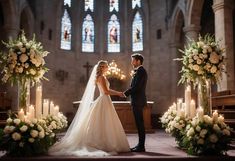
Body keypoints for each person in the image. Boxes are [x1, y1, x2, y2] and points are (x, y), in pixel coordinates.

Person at [49, 60, 130, 156]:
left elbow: (105, 91)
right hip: (104, 99)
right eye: (106, 66)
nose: (108, 67)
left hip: (104, 100)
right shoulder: (102, 77)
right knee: (105, 121)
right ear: (102, 67)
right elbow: (106, 91)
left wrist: (117, 93)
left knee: (104, 121)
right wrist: (118, 93)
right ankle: (103, 143)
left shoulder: (100, 77)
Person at [122, 53, 148, 152]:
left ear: (138, 61)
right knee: (139, 124)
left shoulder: (141, 71)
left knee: (140, 124)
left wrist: (125, 93)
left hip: (138, 101)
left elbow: (137, 87)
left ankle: (141, 146)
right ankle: (140, 145)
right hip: (137, 101)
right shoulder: (138, 71)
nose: (131, 62)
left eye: (133, 60)